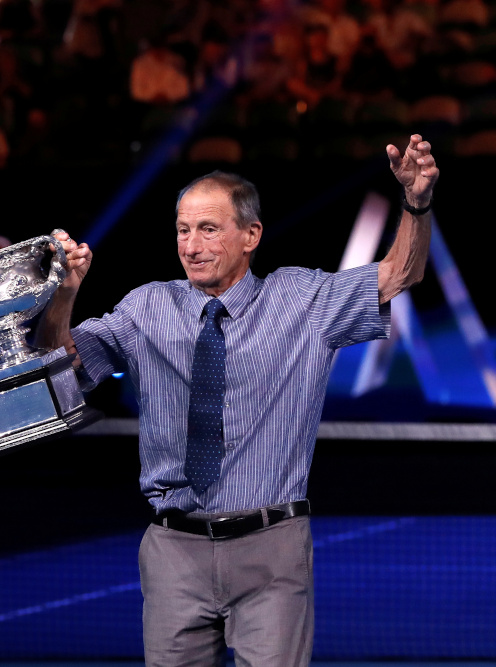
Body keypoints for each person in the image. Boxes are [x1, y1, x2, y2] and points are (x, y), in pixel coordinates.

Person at [37, 134, 438, 666]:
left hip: (271, 549)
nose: (191, 244)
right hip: (173, 550)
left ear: (251, 235)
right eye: (183, 229)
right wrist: (63, 295)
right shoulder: (144, 308)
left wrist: (416, 201)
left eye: (208, 228)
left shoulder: (302, 301)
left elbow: (399, 273)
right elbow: (59, 369)